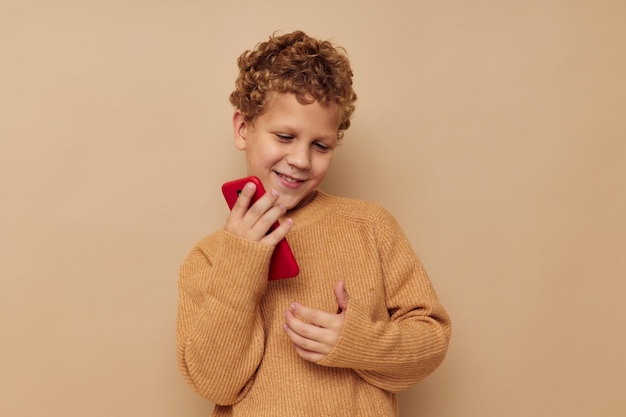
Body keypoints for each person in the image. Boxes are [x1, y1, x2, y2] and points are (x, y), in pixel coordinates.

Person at [176, 30, 451, 417]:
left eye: (320, 146)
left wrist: (360, 340)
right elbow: (216, 383)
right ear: (242, 129)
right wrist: (240, 261)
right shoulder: (207, 258)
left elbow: (431, 339)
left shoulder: (370, 227)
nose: (301, 160)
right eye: (285, 136)